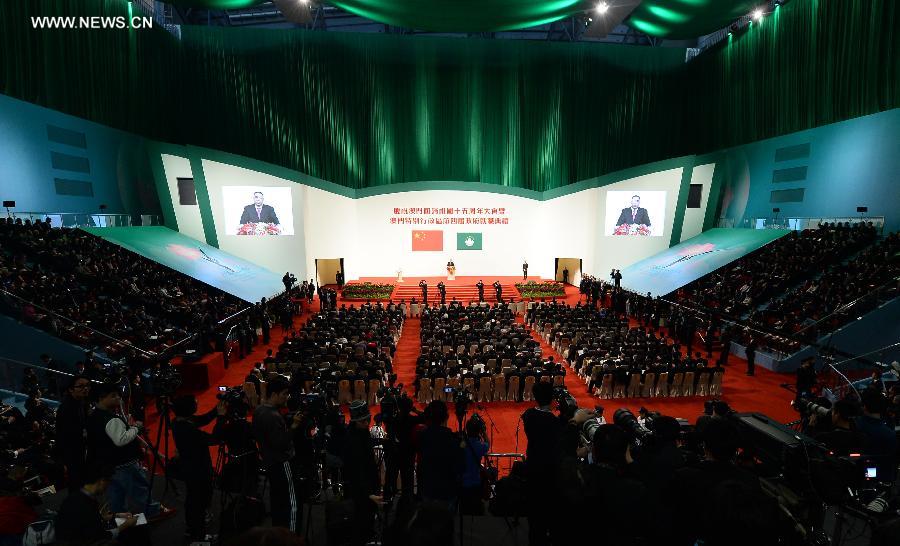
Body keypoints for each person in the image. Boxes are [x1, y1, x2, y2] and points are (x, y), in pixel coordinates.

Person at [86, 382, 173, 520]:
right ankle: (153, 511)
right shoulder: (110, 419)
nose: (118, 398)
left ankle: (121, 519)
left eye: (118, 395)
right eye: (113, 396)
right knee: (139, 489)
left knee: (116, 494)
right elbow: (121, 440)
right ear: (101, 398)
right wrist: (136, 428)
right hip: (125, 463)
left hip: (108, 465)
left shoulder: (93, 416)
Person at [171, 395, 227, 542]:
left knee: (193, 500)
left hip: (190, 468)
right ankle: (199, 535)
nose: (197, 404)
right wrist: (221, 418)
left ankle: (192, 529)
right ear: (188, 408)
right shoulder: (188, 430)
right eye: (194, 403)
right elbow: (214, 439)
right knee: (198, 502)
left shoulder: (178, 421)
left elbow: (203, 419)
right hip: (198, 470)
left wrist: (217, 409)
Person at [251, 376, 302, 532]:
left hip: (270, 463)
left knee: (278, 502)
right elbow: (280, 443)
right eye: (284, 394)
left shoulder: (259, 410)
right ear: (274, 394)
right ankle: (291, 537)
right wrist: (294, 426)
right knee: (292, 503)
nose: (287, 397)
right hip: (282, 463)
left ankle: (278, 535)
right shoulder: (272, 416)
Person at [55, 464, 141, 545]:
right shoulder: (86, 504)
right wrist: (126, 525)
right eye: (108, 482)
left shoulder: (77, 496)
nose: (107, 487)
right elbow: (102, 536)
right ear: (102, 481)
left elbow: (87, 520)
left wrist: (116, 515)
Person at [521, 382, 563, 546]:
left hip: (533, 465)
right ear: (552, 398)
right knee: (548, 510)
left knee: (534, 513)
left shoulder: (528, 415)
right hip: (549, 470)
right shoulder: (554, 422)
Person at [340, 400, 382, 546]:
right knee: (361, 523)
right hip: (360, 490)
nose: (367, 423)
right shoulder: (351, 439)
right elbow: (355, 470)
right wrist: (368, 493)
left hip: (368, 486)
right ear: (355, 421)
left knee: (368, 522)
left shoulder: (363, 433)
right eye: (363, 421)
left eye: (368, 419)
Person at [416, 401, 464, 509]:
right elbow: (460, 466)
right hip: (446, 489)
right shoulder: (453, 439)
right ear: (446, 417)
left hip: (427, 486)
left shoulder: (421, 436)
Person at [55, 375, 91, 493]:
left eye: (87, 385)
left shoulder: (82, 402)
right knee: (76, 483)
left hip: (81, 449)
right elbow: (63, 436)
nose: (85, 388)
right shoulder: (66, 408)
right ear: (71, 389)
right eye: (81, 386)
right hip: (72, 452)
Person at [854, 388, 898, 484]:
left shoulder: (854, 425)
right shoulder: (890, 433)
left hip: (856, 479)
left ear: (864, 406)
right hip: (883, 481)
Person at [459, 417, 489, 515]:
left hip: (463, 482)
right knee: (475, 508)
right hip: (475, 482)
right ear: (479, 431)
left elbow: (461, 445)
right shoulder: (480, 446)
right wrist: (484, 432)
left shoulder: (462, 445)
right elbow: (487, 443)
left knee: (464, 508)